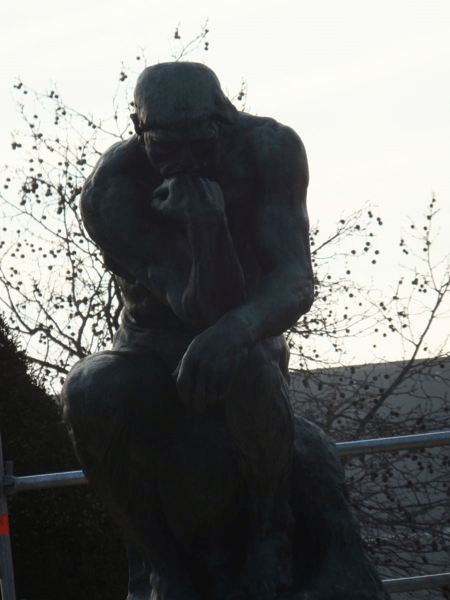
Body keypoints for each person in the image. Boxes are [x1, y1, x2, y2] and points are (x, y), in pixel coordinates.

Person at [62, 61, 314, 600]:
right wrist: (205, 222)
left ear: (224, 120)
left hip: (247, 337)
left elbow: (295, 278)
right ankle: (161, 564)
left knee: (244, 362)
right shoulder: (110, 191)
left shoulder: (270, 149)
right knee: (87, 389)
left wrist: (240, 327)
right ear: (138, 132)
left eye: (199, 144)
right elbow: (196, 307)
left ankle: (274, 531)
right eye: (166, 149)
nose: (186, 164)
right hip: (150, 347)